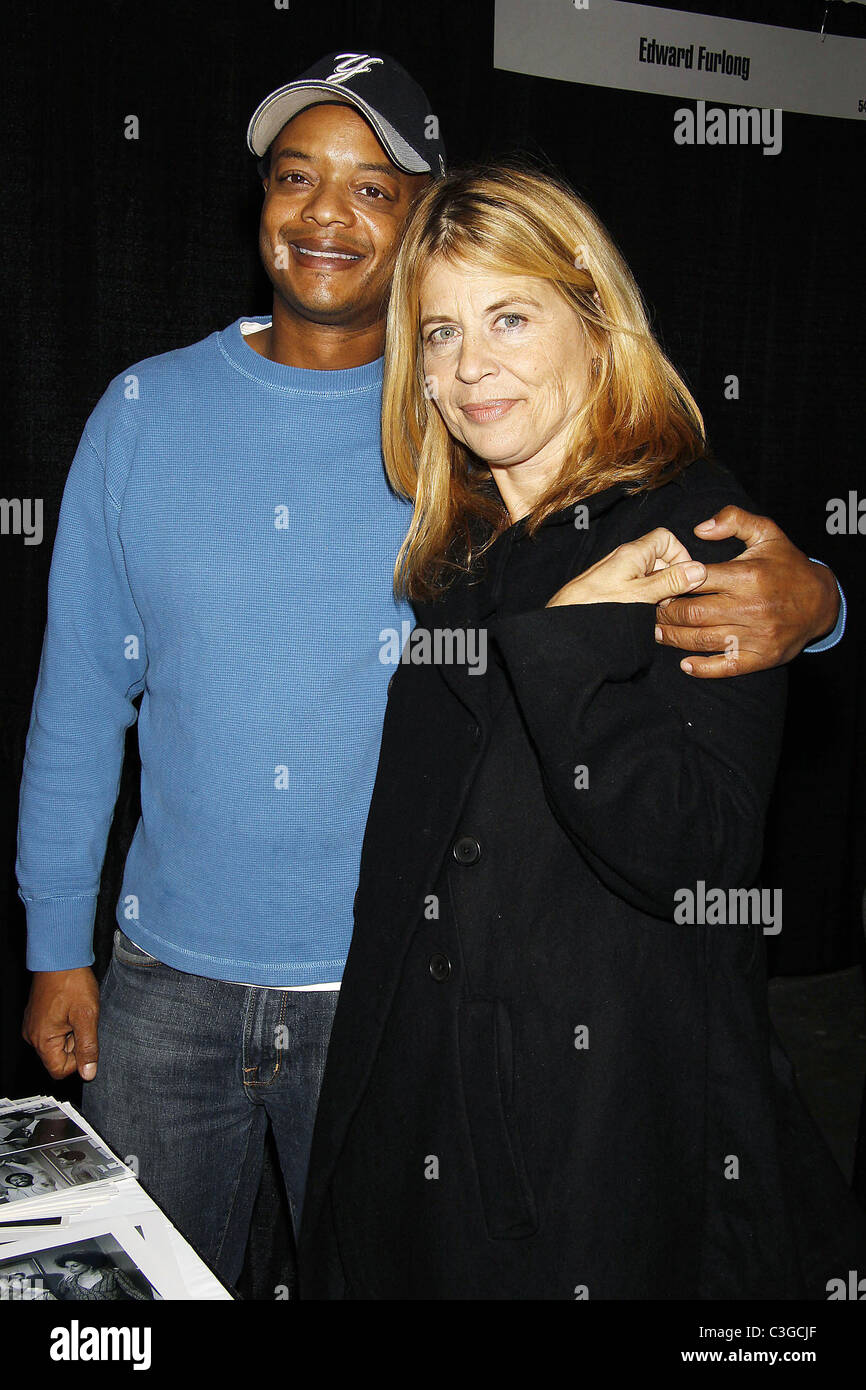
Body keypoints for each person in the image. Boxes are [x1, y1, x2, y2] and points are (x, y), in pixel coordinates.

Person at [16, 54, 843, 1289]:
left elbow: (677, 634)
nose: (324, 213)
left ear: (423, 222)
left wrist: (820, 602)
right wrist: (52, 943)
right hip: (178, 989)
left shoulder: (487, 452)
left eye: (372, 186)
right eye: (296, 177)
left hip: (404, 1000)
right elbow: (79, 699)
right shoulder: (197, 425)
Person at [297, 165, 866, 1300]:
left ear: (596, 325)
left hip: (593, 1140)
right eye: (441, 330)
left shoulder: (692, 529)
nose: (467, 368)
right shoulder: (454, 549)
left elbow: (693, 852)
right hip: (418, 1104)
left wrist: (571, 638)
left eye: (509, 317)